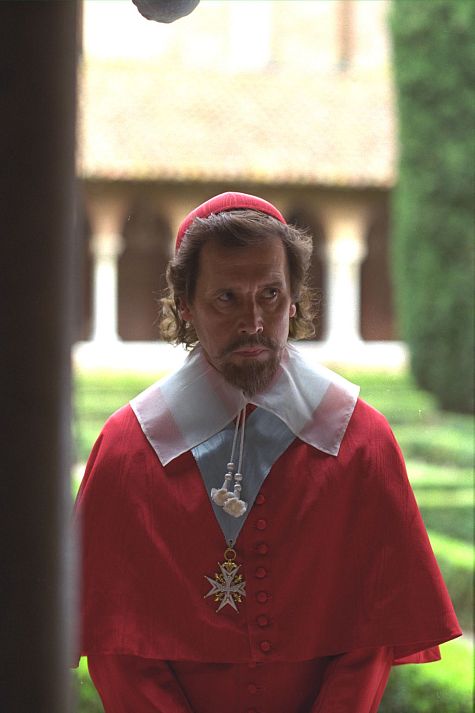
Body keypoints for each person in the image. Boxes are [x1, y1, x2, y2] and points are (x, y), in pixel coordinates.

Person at [75, 192, 461, 713]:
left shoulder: (362, 442)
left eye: (271, 295)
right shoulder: (127, 452)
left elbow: (371, 636)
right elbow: (117, 647)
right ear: (186, 306)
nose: (254, 322)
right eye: (227, 298)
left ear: (294, 299)